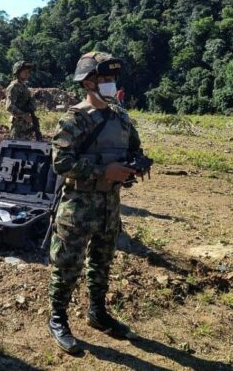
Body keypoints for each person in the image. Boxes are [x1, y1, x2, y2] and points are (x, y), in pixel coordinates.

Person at [47, 52, 146, 354]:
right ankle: (57, 318)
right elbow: (60, 163)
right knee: (67, 264)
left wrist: (136, 165)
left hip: (109, 205)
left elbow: (135, 149)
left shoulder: (121, 118)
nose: (110, 84)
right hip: (78, 206)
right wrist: (104, 171)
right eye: (104, 79)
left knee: (102, 263)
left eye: (112, 79)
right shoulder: (74, 119)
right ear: (88, 83)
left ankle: (97, 312)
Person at [6, 60, 42, 140]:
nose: (27, 73)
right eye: (25, 71)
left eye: (28, 71)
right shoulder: (13, 87)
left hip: (26, 126)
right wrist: (24, 116)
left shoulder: (24, 87)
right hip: (18, 126)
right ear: (18, 72)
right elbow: (9, 106)